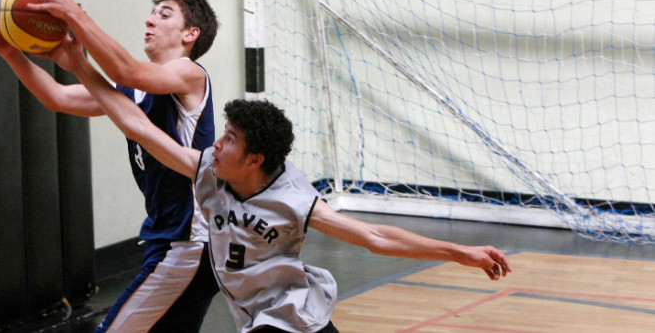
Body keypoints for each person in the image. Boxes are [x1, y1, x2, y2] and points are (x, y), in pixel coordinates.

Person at [45, 33, 514, 333]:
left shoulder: (292, 199)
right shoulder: (207, 170)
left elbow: (375, 235)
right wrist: (79, 64)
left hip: (289, 317)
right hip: (270, 320)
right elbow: (137, 126)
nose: (217, 145)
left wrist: (460, 253)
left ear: (255, 159)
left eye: (229, 140)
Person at [0, 0, 221, 332]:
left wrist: (72, 12)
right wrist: (10, 51)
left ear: (190, 34)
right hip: (180, 242)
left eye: (164, 15)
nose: (150, 21)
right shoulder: (133, 92)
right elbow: (57, 97)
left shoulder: (190, 74)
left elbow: (124, 70)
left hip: (187, 245)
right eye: (151, 13)